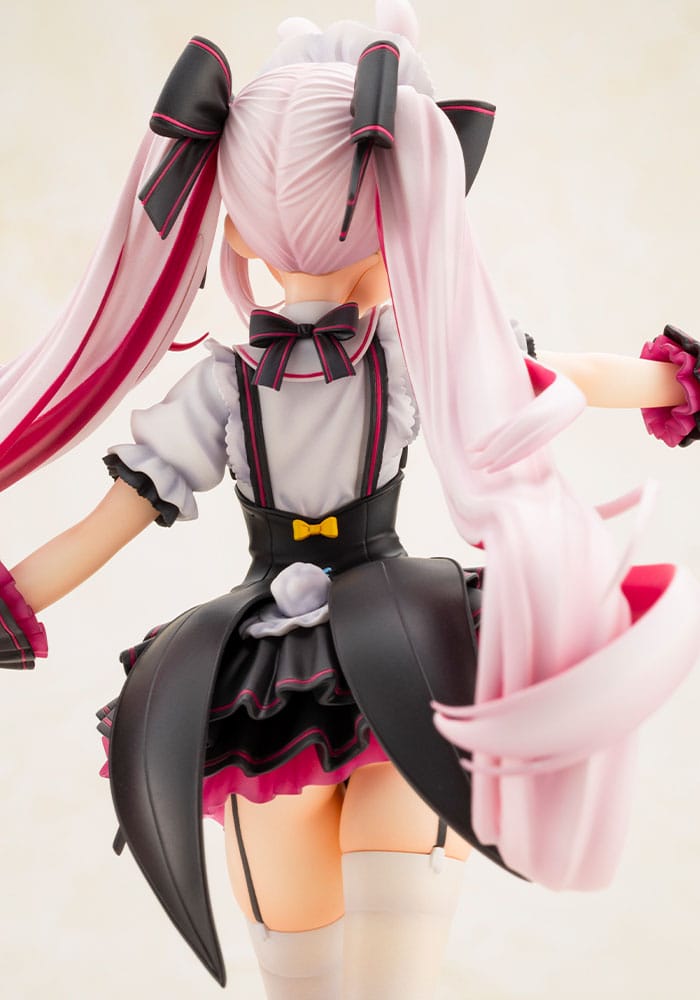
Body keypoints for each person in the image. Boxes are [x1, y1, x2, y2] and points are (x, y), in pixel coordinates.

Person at [1, 3, 699, 997]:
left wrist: (17, 598)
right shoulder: (368, 359)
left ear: (232, 221)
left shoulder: (304, 370)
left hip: (298, 679)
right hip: (371, 661)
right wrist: (674, 382)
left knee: (330, 977)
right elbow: (567, 379)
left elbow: (107, 522)